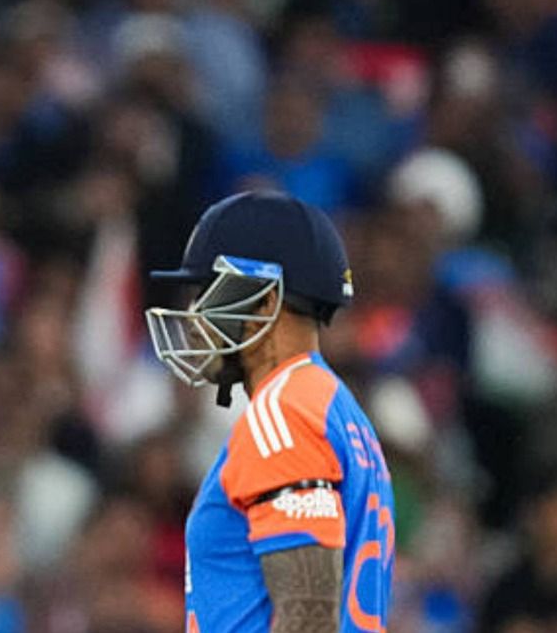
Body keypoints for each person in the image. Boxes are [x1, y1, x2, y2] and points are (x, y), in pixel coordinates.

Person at [143, 191, 394, 632]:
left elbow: (309, 615)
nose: (195, 316)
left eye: (209, 294)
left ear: (266, 300)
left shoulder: (285, 413)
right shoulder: (336, 408)